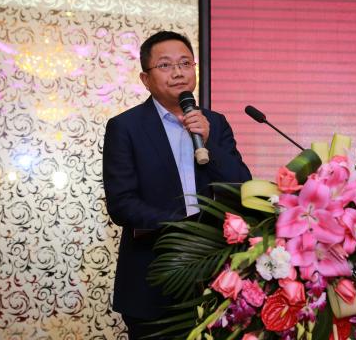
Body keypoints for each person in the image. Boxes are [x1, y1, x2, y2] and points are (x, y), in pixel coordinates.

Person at [102, 30, 251, 339]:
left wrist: (210, 142)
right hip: (153, 280)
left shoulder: (215, 123)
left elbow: (241, 187)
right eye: (166, 65)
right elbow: (122, 204)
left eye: (185, 63)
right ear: (145, 79)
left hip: (217, 278)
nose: (178, 72)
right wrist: (186, 227)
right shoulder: (125, 127)